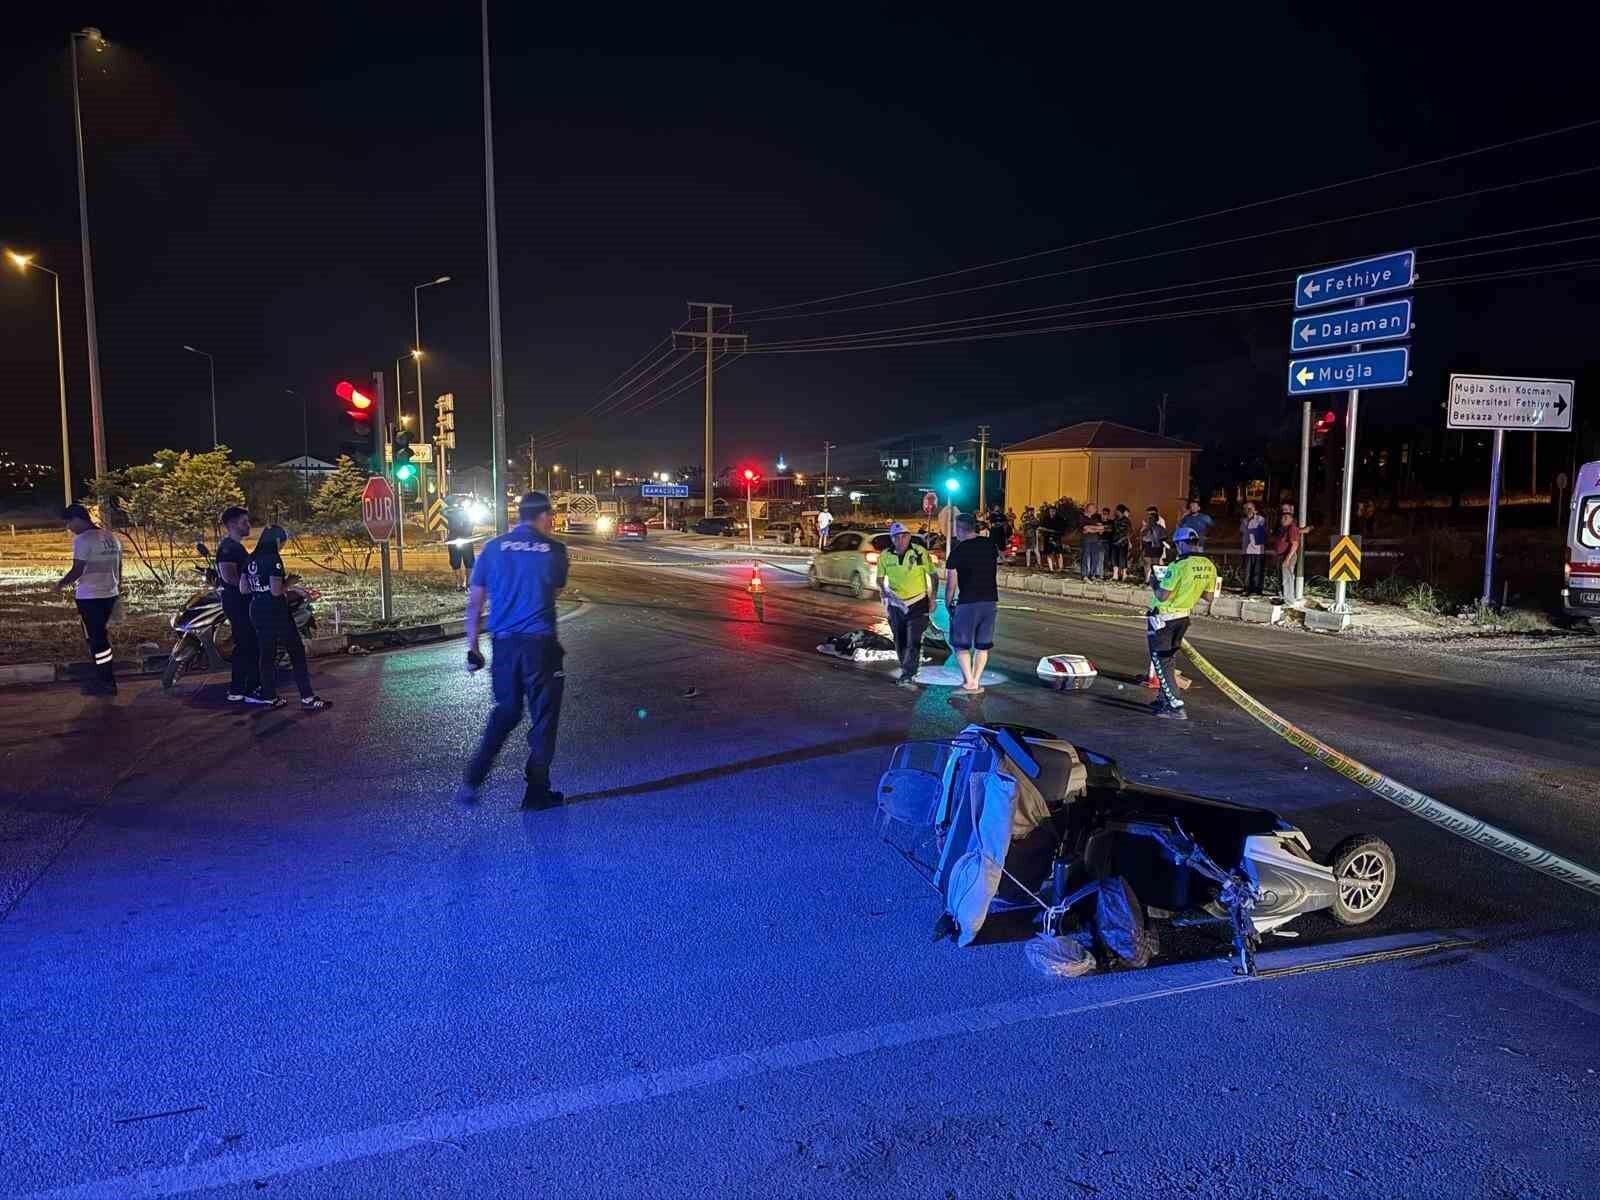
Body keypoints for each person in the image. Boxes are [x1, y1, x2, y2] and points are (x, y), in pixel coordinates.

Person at [458, 492, 570, 810]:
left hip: (504, 647)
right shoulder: (555, 550)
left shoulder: (492, 549)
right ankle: (536, 792)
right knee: (544, 722)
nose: (553, 521)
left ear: (518, 515)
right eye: (551, 515)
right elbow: (556, 590)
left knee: (506, 712)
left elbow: (475, 603)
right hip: (541, 648)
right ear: (544, 516)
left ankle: (473, 779)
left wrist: (472, 649)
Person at [244, 525, 331, 711]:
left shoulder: (250, 558)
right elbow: (277, 591)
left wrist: (265, 588)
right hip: (275, 610)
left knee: (266, 653)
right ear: (277, 541)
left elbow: (243, 588)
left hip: (256, 608)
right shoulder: (273, 559)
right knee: (296, 651)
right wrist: (289, 583)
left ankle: (269, 696)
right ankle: (307, 697)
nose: (282, 547)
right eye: (282, 543)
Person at [1146, 525, 1217, 720]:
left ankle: (1175, 706)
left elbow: (1162, 595)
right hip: (1183, 618)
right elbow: (1209, 597)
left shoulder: (1178, 566)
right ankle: (1163, 697)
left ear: (1182, 544)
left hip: (1163, 619)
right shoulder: (1209, 565)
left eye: (1177, 545)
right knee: (1169, 661)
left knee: (1161, 662)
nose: (1177, 549)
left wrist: (1153, 581)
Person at [56, 504, 122, 695]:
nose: (68, 527)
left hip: (90, 597)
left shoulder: (83, 540)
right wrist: (118, 588)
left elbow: (78, 570)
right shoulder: (111, 537)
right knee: (100, 637)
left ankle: (106, 681)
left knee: (96, 640)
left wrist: (60, 584)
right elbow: (119, 567)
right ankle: (104, 677)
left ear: (77, 519)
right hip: (110, 594)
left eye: (68, 523)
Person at [943, 513, 999, 696]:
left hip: (968, 602)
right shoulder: (989, 545)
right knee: (983, 645)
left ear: (960, 529)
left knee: (961, 644)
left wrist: (948, 602)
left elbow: (951, 583)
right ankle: (977, 679)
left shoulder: (958, 551)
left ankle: (969, 682)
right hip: (990, 601)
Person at [878, 522, 939, 689]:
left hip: (918, 601)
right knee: (900, 639)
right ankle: (906, 667)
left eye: (904, 535)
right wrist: (884, 593)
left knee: (914, 640)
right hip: (896, 604)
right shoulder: (885, 556)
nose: (900, 539)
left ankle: (908, 673)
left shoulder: (919, 552)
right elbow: (880, 579)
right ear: (892, 539)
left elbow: (933, 576)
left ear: (909, 536)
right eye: (896, 537)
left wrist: (932, 598)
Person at [215, 505, 265, 703]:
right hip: (238, 602)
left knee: (247, 644)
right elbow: (229, 577)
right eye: (244, 522)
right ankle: (245, 689)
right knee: (246, 645)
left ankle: (243, 688)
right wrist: (252, 587)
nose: (248, 525)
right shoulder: (229, 548)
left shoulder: (236, 546)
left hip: (241, 601)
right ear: (232, 524)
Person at [1272, 503, 1302, 604]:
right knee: (1281, 578)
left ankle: (1289, 600)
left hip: (1287, 556)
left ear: (1291, 519)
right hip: (1281, 556)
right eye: (1282, 517)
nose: (1283, 519)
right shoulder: (1282, 529)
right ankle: (1283, 598)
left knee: (1287, 579)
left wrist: (1287, 559)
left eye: (1286, 517)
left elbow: (1295, 544)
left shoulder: (1292, 528)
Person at [445, 499, 478, 591]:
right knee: (456, 562)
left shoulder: (470, 513)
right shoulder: (452, 513)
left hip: (466, 540)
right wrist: (452, 508)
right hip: (455, 540)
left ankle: (467, 583)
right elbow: (442, 511)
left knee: (468, 562)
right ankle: (460, 583)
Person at [1239, 500, 1266, 596]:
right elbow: (1242, 533)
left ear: (1255, 510)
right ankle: (1246, 589)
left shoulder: (1260, 519)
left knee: (1257, 571)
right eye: (1245, 509)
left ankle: (1256, 590)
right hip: (1246, 549)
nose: (1248, 510)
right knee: (1247, 571)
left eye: (1250, 508)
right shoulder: (1243, 520)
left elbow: (1261, 532)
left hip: (1258, 550)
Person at [1079, 506, 1105, 580]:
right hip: (1086, 540)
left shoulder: (1095, 519)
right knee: (1085, 557)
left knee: (1095, 558)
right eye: (1093, 508)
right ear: (1088, 509)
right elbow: (1086, 528)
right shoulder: (1082, 518)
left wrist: (1092, 528)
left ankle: (1092, 575)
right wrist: (1097, 528)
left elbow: (1102, 529)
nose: (1095, 510)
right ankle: (1084, 575)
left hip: (1095, 541)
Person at [1108, 504, 1132, 582]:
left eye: (1116, 511)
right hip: (1114, 542)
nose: (1115, 512)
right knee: (1114, 559)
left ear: (1119, 511)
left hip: (1122, 543)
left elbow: (1129, 532)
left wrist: (1122, 540)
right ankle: (1115, 576)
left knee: (1122, 559)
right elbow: (1111, 529)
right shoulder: (1115, 520)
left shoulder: (1127, 521)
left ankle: (1124, 575)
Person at [1139, 506, 1168, 572]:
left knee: (1157, 562)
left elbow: (1162, 535)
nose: (1149, 516)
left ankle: (1158, 576)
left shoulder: (1160, 521)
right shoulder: (1146, 523)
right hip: (1148, 545)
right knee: (1147, 562)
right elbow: (1143, 534)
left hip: (1157, 545)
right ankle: (1148, 579)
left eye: (1150, 514)